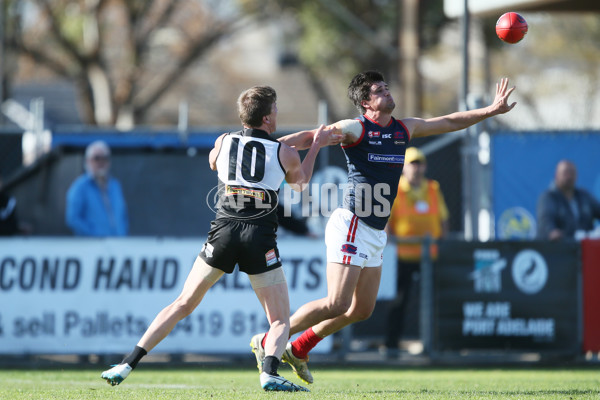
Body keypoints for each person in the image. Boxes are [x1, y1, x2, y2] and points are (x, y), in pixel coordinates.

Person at [250, 71, 516, 384]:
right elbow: (312, 136)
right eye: (379, 91)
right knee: (336, 302)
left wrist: (490, 110)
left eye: (387, 88)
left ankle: (299, 348)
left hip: (375, 231)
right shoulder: (356, 128)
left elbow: (449, 121)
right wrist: (269, 146)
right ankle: (269, 340)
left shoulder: (405, 127)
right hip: (352, 223)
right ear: (365, 103)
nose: (387, 93)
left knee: (361, 309)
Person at [101, 86, 340, 392]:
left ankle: (127, 363)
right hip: (258, 237)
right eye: (276, 110)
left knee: (183, 303)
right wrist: (317, 144)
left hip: (223, 233)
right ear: (267, 117)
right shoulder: (285, 153)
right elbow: (300, 183)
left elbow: (218, 161)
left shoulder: (224, 141)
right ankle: (268, 372)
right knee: (280, 320)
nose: (278, 113)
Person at [382, 146, 449, 358]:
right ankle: (392, 344)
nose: (417, 168)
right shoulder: (396, 189)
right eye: (412, 163)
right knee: (399, 302)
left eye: (420, 163)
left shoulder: (432, 188)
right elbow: (386, 222)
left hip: (429, 256)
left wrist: (441, 239)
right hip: (403, 256)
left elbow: (443, 219)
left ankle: (435, 345)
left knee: (435, 302)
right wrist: (391, 244)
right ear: (404, 167)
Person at [65, 140, 129, 236]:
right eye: (96, 158)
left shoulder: (115, 185)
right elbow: (73, 219)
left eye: (105, 158)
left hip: (117, 246)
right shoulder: (79, 187)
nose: (101, 162)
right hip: (92, 247)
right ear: (87, 161)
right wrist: (95, 235)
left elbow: (122, 216)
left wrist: (122, 235)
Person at [536, 159, 600, 240]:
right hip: (559, 247)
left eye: (572, 173)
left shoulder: (584, 196)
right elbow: (545, 220)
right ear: (556, 175)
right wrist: (551, 232)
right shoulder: (548, 197)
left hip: (584, 247)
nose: (569, 176)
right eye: (565, 173)